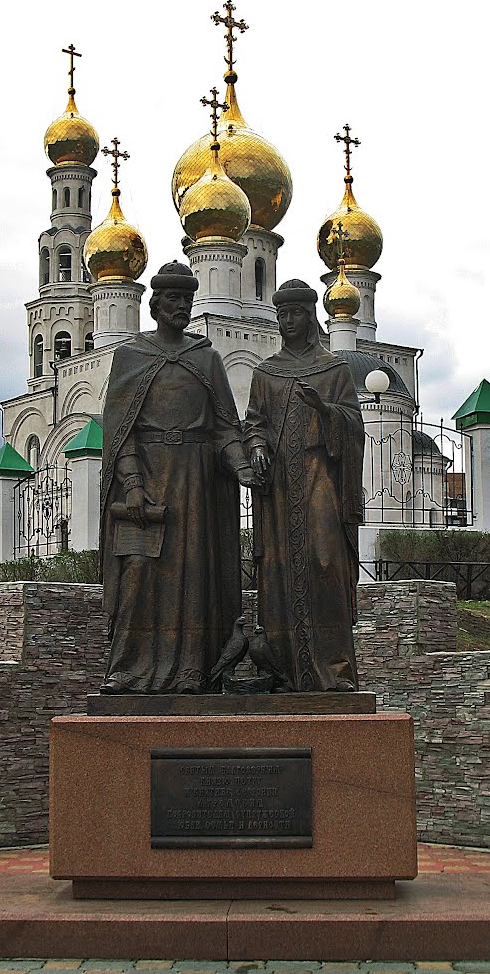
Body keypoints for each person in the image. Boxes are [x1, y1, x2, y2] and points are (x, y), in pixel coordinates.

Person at [100, 260, 260, 694]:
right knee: (139, 574)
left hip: (196, 482)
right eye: (173, 299)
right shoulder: (130, 356)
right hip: (147, 482)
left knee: (194, 575)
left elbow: (226, 425)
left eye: (187, 299)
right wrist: (131, 483)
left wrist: (241, 465)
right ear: (154, 304)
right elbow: (120, 430)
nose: (182, 307)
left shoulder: (206, 358)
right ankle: (129, 669)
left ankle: (193, 669)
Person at [244, 279, 365, 692]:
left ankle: (335, 670)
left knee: (325, 561)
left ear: (311, 317)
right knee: (278, 571)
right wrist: (257, 447)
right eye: (282, 314)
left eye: (295, 313)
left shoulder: (334, 370)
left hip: (320, 477)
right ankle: (284, 671)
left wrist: (325, 410)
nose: (287, 321)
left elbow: (354, 424)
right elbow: (254, 423)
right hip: (278, 487)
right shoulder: (266, 372)